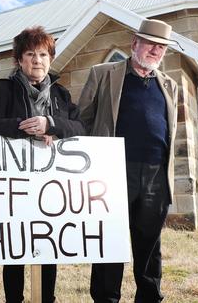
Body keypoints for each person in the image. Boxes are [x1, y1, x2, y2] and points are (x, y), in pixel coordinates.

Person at [0, 26, 85, 303]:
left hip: (50, 185)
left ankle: (47, 298)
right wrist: (21, 127)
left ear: (51, 59)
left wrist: (53, 125)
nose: (37, 60)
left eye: (43, 54)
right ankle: (14, 299)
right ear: (19, 60)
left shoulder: (61, 96)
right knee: (15, 244)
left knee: (48, 243)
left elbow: (80, 126)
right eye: (30, 54)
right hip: (13, 182)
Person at [78, 19, 178, 303]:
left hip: (156, 175)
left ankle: (150, 297)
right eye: (150, 44)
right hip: (112, 172)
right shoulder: (103, 74)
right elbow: (81, 120)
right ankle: (106, 299)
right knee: (110, 242)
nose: (155, 51)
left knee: (149, 245)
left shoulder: (169, 85)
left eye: (161, 47)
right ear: (135, 43)